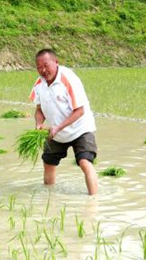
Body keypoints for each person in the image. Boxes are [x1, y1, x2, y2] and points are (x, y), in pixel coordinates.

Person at [30, 49, 98, 196]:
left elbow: (79, 110)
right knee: (48, 163)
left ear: (56, 62)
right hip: (56, 132)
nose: (43, 70)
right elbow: (39, 109)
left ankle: (93, 202)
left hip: (80, 128)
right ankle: (50, 197)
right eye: (39, 67)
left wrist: (57, 128)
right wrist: (38, 124)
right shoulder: (39, 84)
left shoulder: (69, 79)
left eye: (46, 65)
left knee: (84, 162)